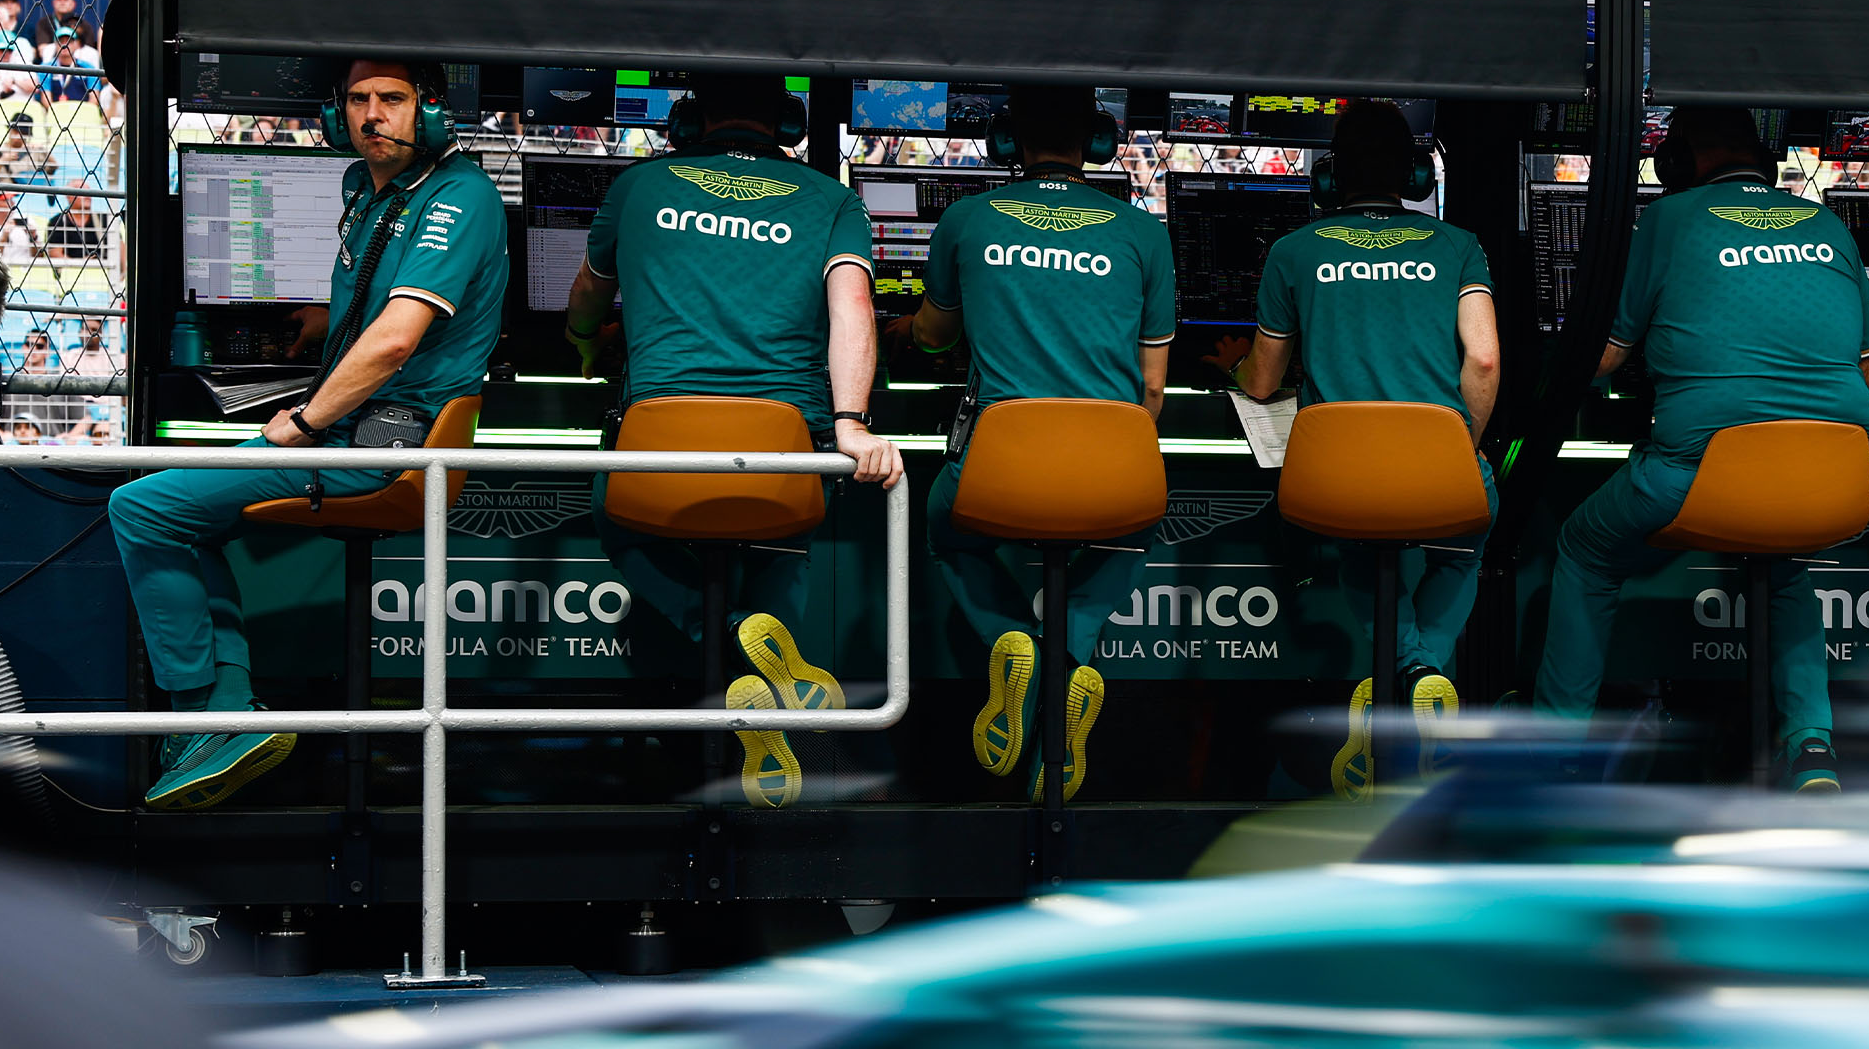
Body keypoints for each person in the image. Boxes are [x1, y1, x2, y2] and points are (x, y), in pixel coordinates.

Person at [106, 58, 506, 811]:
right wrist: (333, 320)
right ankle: (223, 714)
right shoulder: (366, 187)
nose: (372, 115)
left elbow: (396, 340)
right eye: (357, 100)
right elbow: (383, 304)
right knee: (183, 512)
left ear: (430, 111)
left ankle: (206, 719)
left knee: (143, 508)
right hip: (358, 428)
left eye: (392, 99)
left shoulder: (461, 195)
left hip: (386, 446)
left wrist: (302, 421)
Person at [562, 70, 900, 808]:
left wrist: (585, 342)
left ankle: (722, 630)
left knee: (614, 514)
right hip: (785, 441)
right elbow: (853, 308)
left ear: (688, 121)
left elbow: (586, 297)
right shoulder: (834, 200)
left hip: (660, 441)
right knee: (782, 542)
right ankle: (771, 670)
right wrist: (851, 420)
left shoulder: (637, 186)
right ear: (790, 123)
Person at [1531, 105, 1869, 791]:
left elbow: (1604, 357)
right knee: (1784, 561)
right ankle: (1811, 746)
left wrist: (1539, 368)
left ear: (1676, 162)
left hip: (1697, 475)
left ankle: (1556, 747)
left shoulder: (1666, 220)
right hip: (1837, 476)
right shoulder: (1828, 225)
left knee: (1584, 550)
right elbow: (1867, 372)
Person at [902, 84, 1174, 800]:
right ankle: (1067, 659)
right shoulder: (1143, 232)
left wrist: (907, 331)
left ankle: (1010, 640)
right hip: (1113, 470)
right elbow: (1151, 391)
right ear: (1098, 142)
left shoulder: (966, 218)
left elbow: (932, 335)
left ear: (1005, 140)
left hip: (998, 468)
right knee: (1132, 531)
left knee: (946, 531)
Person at [1234, 99, 1499, 798]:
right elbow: (1484, 360)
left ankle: (1402, 672)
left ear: (1328, 178)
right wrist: (1463, 448)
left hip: (1336, 481)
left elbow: (1262, 383)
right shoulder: (1459, 245)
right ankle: (1421, 670)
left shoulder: (1294, 252)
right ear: (1414, 176)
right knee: (1462, 548)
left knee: (1357, 540)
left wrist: (1228, 366)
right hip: (1439, 472)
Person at [45, 186, 101, 262]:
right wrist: (80, 265)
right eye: (82, 191)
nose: (88, 196)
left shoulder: (103, 219)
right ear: (69, 197)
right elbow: (55, 254)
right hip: (68, 269)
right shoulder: (56, 222)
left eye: (89, 191)